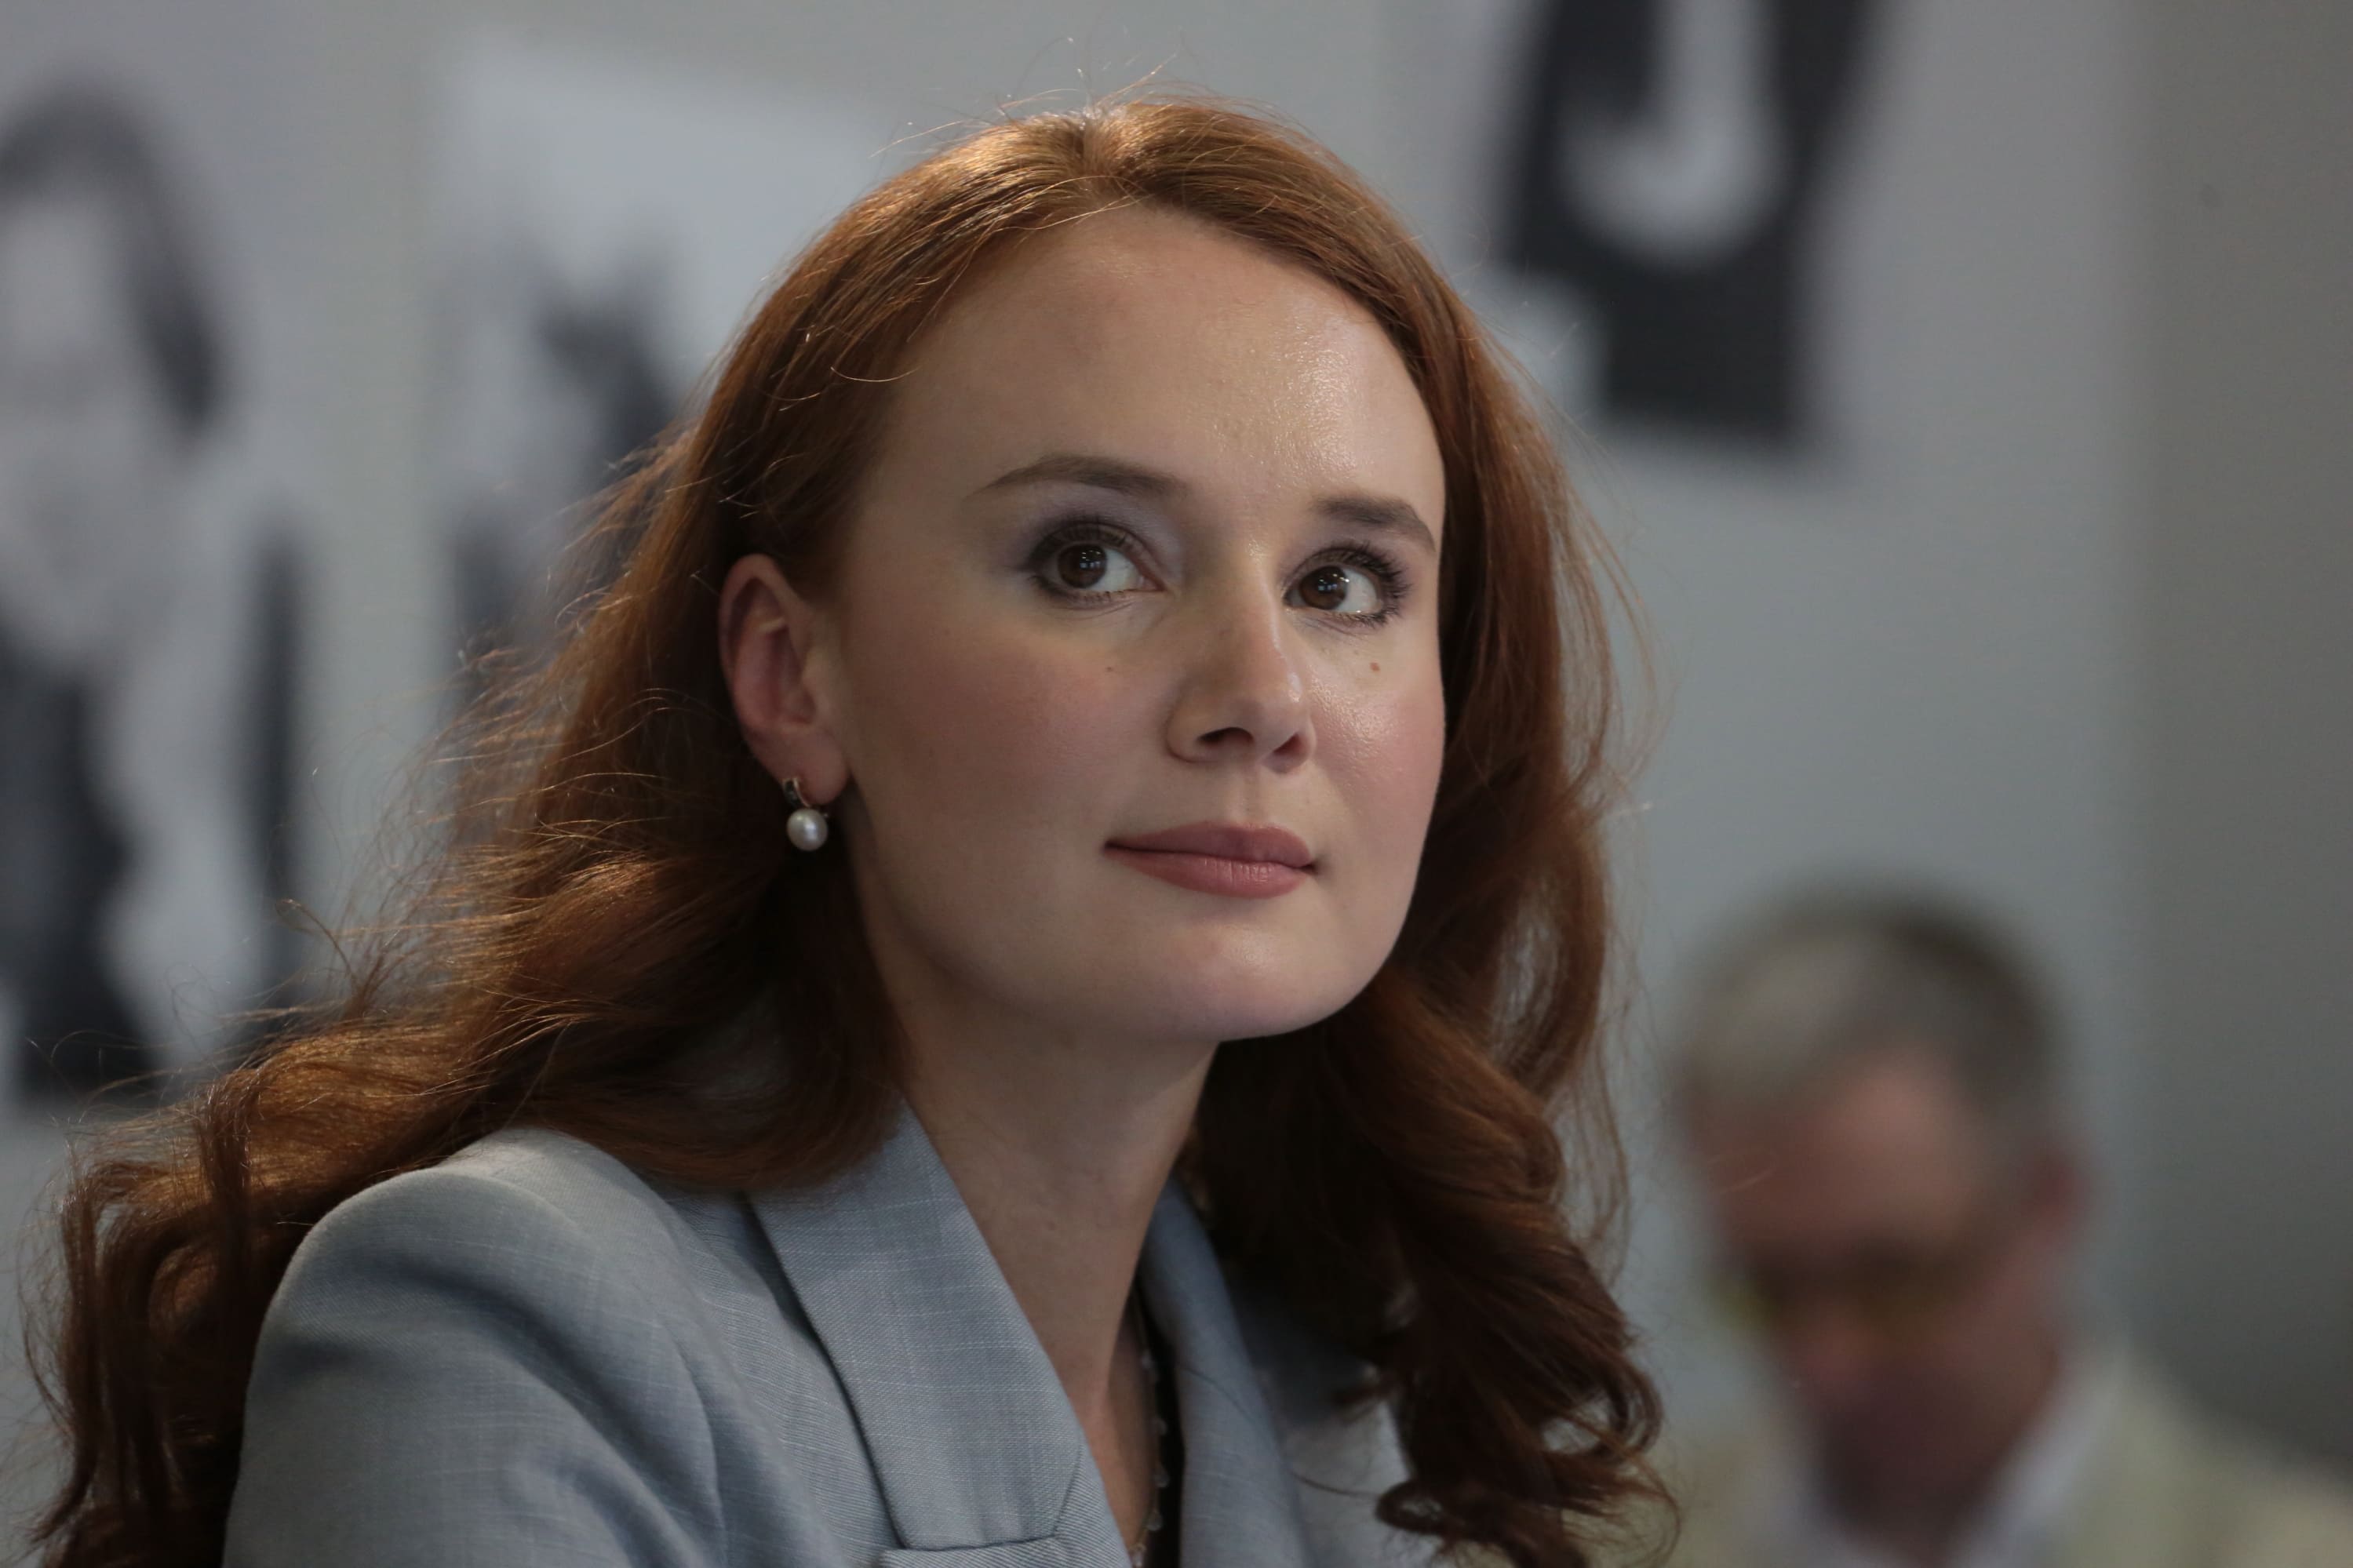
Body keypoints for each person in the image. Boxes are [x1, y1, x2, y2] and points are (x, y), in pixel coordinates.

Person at [31, 100, 1664, 1567]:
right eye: (1089, 559)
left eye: (1343, 583)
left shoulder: (1328, 1405)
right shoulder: (504, 1323)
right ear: (789, 675)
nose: (1260, 694)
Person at [1655, 889, 2353, 1567]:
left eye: (1894, 1277)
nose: (1829, 1364)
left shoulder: (2297, 1551)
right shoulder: (1625, 1537)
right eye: (1768, 1287)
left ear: (2048, 1199)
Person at [0, 83, 300, 1102]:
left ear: (182, 387)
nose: (30, 465)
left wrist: (188, 825)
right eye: (3, 397)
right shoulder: (27, 684)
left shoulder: (296, 660)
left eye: (71, 387)